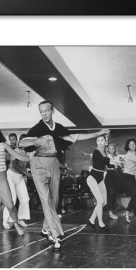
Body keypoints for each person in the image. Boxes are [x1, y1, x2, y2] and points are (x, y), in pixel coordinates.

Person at [18, 100, 110, 249]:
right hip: (38, 165)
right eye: (41, 111)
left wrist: (98, 133)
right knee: (45, 200)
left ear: (52, 111)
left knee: (54, 201)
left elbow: (75, 137)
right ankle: (55, 235)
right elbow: (21, 143)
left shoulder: (58, 128)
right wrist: (38, 140)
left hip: (53, 163)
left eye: (46, 111)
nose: (44, 114)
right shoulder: (37, 128)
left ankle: (44, 229)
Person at [86, 135, 120, 229]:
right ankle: (101, 223)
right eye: (98, 140)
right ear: (96, 142)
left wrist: (117, 163)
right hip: (92, 177)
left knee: (104, 202)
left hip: (100, 179)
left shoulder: (105, 153)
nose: (100, 142)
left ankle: (92, 219)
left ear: (105, 141)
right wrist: (113, 161)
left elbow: (109, 163)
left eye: (102, 140)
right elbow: (104, 160)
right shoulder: (96, 152)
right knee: (100, 201)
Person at [2, 134, 31, 229]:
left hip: (19, 176)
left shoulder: (27, 152)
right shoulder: (15, 151)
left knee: (25, 198)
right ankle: (7, 221)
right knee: (12, 199)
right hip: (11, 175)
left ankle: (21, 219)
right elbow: (14, 164)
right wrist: (26, 173)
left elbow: (26, 165)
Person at [104, 143, 121, 220]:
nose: (111, 150)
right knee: (110, 193)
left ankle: (113, 210)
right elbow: (110, 165)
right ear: (108, 149)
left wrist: (119, 164)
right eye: (110, 148)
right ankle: (110, 212)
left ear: (115, 149)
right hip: (109, 175)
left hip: (115, 175)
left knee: (114, 193)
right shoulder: (107, 156)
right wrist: (116, 164)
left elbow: (119, 166)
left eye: (113, 148)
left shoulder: (117, 156)